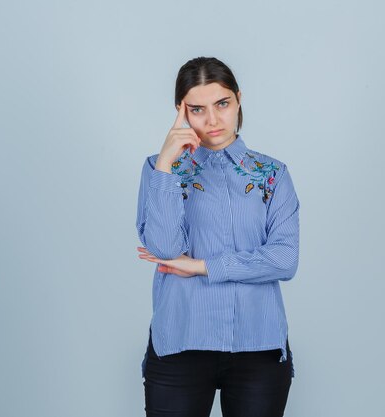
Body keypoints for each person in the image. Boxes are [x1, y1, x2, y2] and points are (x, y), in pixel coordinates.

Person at [135, 57, 300, 417]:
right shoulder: (158, 170)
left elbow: (284, 260)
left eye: (222, 104)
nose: (212, 120)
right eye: (197, 109)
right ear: (181, 113)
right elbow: (163, 247)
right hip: (181, 342)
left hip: (258, 347)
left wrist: (201, 266)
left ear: (238, 99)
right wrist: (166, 162)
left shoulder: (272, 174)